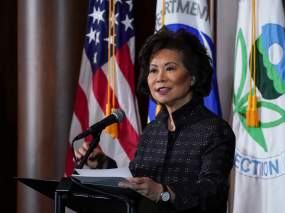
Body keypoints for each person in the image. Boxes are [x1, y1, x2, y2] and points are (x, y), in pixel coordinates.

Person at [75, 28, 235, 213]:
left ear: (193, 77)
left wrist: (163, 193)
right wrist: (103, 164)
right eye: (153, 70)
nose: (159, 78)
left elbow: (213, 193)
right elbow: (137, 181)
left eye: (170, 68)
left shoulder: (215, 130)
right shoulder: (152, 130)